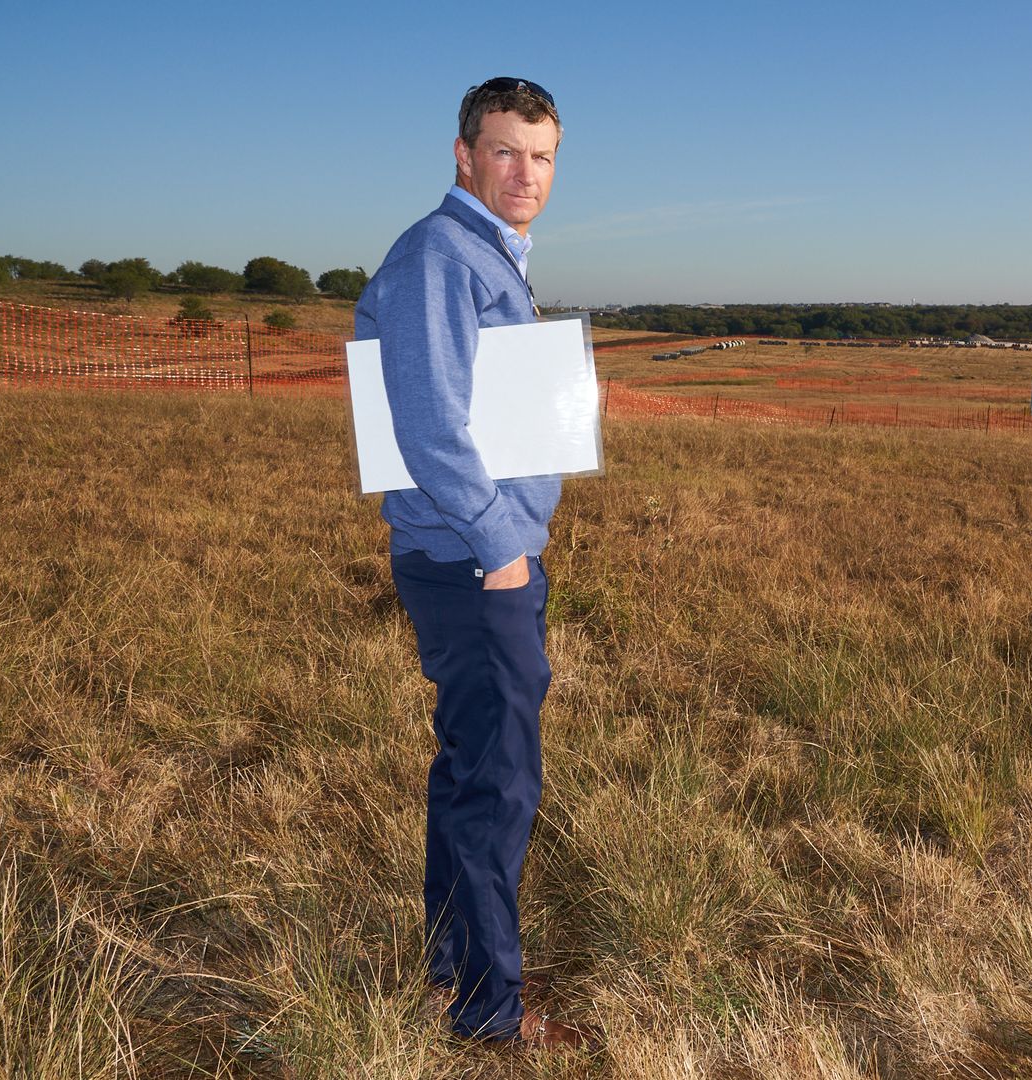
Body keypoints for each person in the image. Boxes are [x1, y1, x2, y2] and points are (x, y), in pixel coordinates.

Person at [353, 76, 590, 1050]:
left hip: (476, 556)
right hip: (470, 562)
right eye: (504, 151)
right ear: (462, 154)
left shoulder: (487, 253)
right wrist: (502, 551)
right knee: (500, 786)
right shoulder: (440, 258)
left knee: (468, 769)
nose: (524, 173)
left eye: (541, 157)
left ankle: (452, 962)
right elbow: (430, 424)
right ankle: (492, 1013)